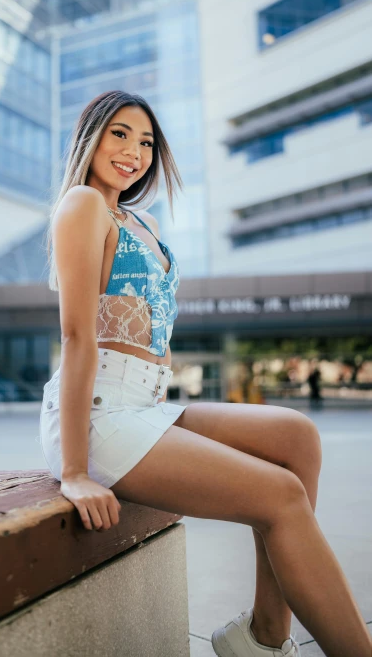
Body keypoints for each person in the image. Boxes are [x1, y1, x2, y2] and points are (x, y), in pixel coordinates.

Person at [39, 90, 371, 657]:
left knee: (296, 437)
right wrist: (74, 471)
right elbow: (76, 337)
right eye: (119, 134)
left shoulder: (133, 218)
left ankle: (264, 634)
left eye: (146, 141)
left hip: (146, 406)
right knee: (281, 495)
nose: (134, 151)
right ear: (90, 137)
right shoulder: (82, 205)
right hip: (101, 416)